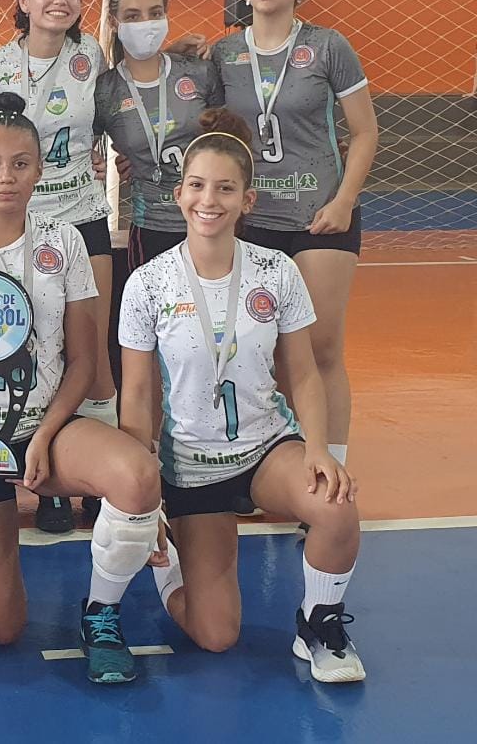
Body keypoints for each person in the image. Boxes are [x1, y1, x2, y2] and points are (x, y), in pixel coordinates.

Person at [0, 93, 163, 685]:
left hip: (45, 428)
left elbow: (85, 361)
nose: (6, 177)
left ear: (40, 169)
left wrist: (43, 435)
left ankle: (101, 615)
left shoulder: (63, 242)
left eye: (20, 164)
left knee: (138, 475)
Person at [117, 109, 366, 683]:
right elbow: (137, 392)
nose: (210, 200)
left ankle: (320, 623)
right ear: (179, 195)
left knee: (336, 508)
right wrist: (145, 490)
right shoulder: (148, 283)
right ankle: (171, 566)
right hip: (190, 466)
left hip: (265, 448)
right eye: (198, 186)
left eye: (225, 188)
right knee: (216, 635)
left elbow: (304, 374)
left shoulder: (276, 271)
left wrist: (318, 448)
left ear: (247, 200)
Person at [210, 0, 378, 472]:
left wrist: (345, 201)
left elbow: (365, 132)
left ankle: (333, 467)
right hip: (253, 219)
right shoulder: (225, 53)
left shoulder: (328, 47)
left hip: (319, 216)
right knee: (264, 349)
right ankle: (274, 460)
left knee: (320, 347)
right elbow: (210, 130)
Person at [0, 0, 117, 533]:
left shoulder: (92, 58)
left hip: (81, 218)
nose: (60, 0)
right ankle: (47, 482)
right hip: (17, 223)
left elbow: (107, 125)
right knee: (31, 348)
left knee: (92, 349)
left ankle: (97, 479)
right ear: (24, 0)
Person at [95, 0, 224, 271]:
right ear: (114, 22)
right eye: (132, 16)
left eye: (155, 13)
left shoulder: (200, 72)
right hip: (152, 226)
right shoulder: (105, 90)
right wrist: (98, 161)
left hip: (210, 218)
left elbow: (228, 141)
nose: (146, 24)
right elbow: (82, 145)